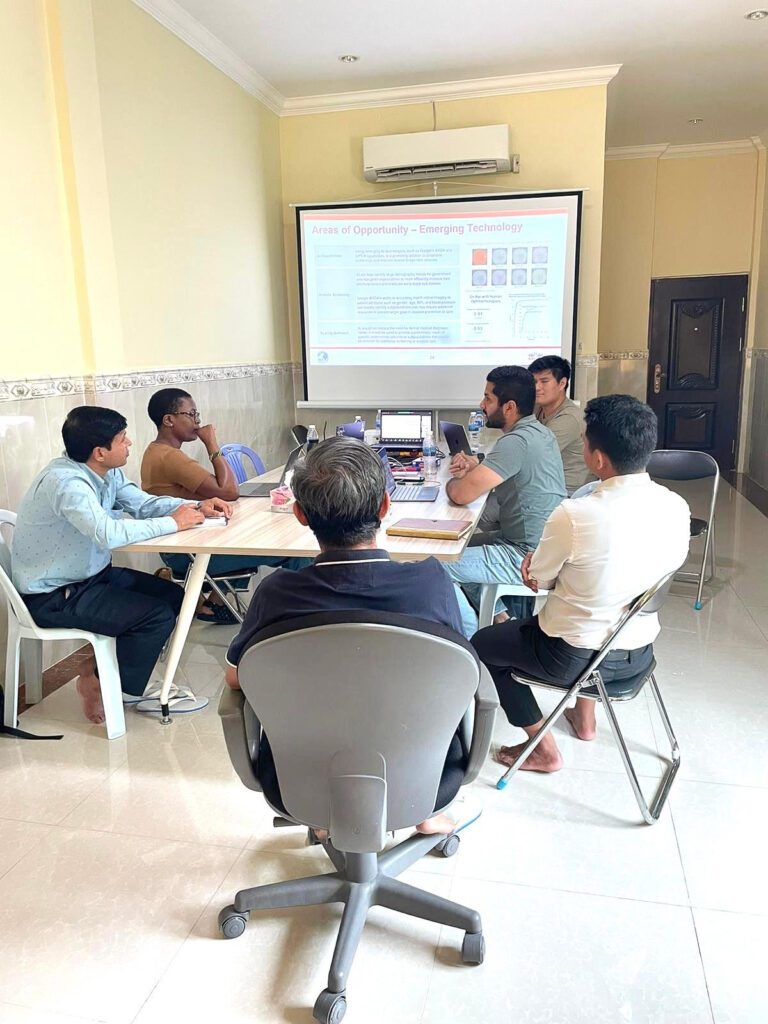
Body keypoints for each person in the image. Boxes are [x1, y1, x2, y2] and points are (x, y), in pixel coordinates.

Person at [225, 437, 476, 836]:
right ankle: (420, 811)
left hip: (301, 777)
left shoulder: (276, 593)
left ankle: (326, 816)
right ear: (385, 506)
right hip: (423, 771)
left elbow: (239, 676)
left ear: (300, 515)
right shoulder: (430, 582)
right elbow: (459, 668)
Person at [472, 394, 691, 773]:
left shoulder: (575, 514)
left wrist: (542, 573)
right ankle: (584, 719)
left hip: (569, 658)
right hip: (637, 653)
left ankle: (543, 748)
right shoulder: (676, 505)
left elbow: (538, 578)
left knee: (484, 646)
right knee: (600, 601)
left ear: (599, 458)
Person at [12, 406, 230, 723]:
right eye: (123, 439)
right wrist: (175, 523)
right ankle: (114, 690)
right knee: (154, 617)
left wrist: (195, 506)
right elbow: (107, 533)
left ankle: (102, 674)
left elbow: (143, 504)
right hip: (54, 595)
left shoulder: (105, 472)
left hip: (88, 579)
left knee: (173, 598)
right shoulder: (67, 484)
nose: (129, 444)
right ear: (100, 452)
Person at [141, 388, 309, 623]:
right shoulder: (170, 457)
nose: (198, 422)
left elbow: (222, 489)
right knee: (294, 551)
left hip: (190, 540)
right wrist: (211, 444)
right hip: (186, 552)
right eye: (191, 415)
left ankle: (216, 603)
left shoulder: (158, 452)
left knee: (252, 531)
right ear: (168, 420)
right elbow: (230, 491)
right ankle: (304, 618)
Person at [444, 365, 566, 639]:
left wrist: (454, 481)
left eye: (488, 398)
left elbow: (460, 495)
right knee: (455, 545)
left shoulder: (515, 442)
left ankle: (469, 642)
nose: (481, 404)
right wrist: (475, 469)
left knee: (436, 565)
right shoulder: (538, 432)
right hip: (537, 543)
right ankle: (499, 617)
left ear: (509, 407)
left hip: (526, 555)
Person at [528, 355, 592, 495]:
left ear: (562, 383)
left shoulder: (569, 418)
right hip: (544, 485)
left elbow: (531, 456)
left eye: (544, 381)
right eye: (533, 381)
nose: (537, 387)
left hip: (566, 494)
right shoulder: (537, 408)